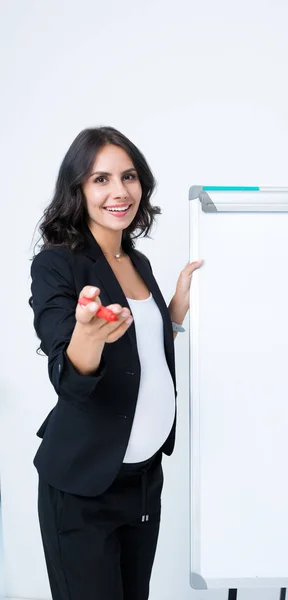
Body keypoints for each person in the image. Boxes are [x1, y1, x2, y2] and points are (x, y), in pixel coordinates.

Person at [28, 125, 203, 600]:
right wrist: (86, 335)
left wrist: (174, 314)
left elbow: (138, 347)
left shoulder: (137, 261)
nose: (119, 191)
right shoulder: (57, 265)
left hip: (142, 480)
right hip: (84, 486)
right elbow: (68, 374)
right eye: (100, 179)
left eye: (128, 176)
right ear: (78, 189)